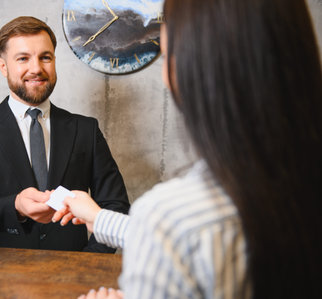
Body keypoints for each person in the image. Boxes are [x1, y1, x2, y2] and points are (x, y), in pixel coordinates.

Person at [53, 0, 322, 297]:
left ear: (194, 74)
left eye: (167, 57)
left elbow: (171, 236)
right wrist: (98, 218)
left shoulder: (170, 219)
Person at [0, 16, 130, 253]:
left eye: (45, 57)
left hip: (73, 273)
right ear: (3, 66)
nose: (36, 69)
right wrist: (16, 205)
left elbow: (115, 205)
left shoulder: (85, 129)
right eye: (23, 58)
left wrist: (89, 261)